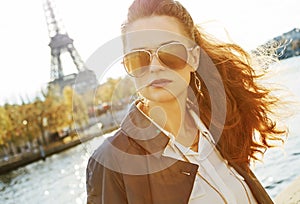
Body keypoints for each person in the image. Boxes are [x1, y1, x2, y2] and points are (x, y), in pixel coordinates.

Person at [86, 0, 287, 203]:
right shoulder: (111, 162)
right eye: (139, 58)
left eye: (170, 52)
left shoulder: (219, 124)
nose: (154, 67)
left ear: (194, 58)